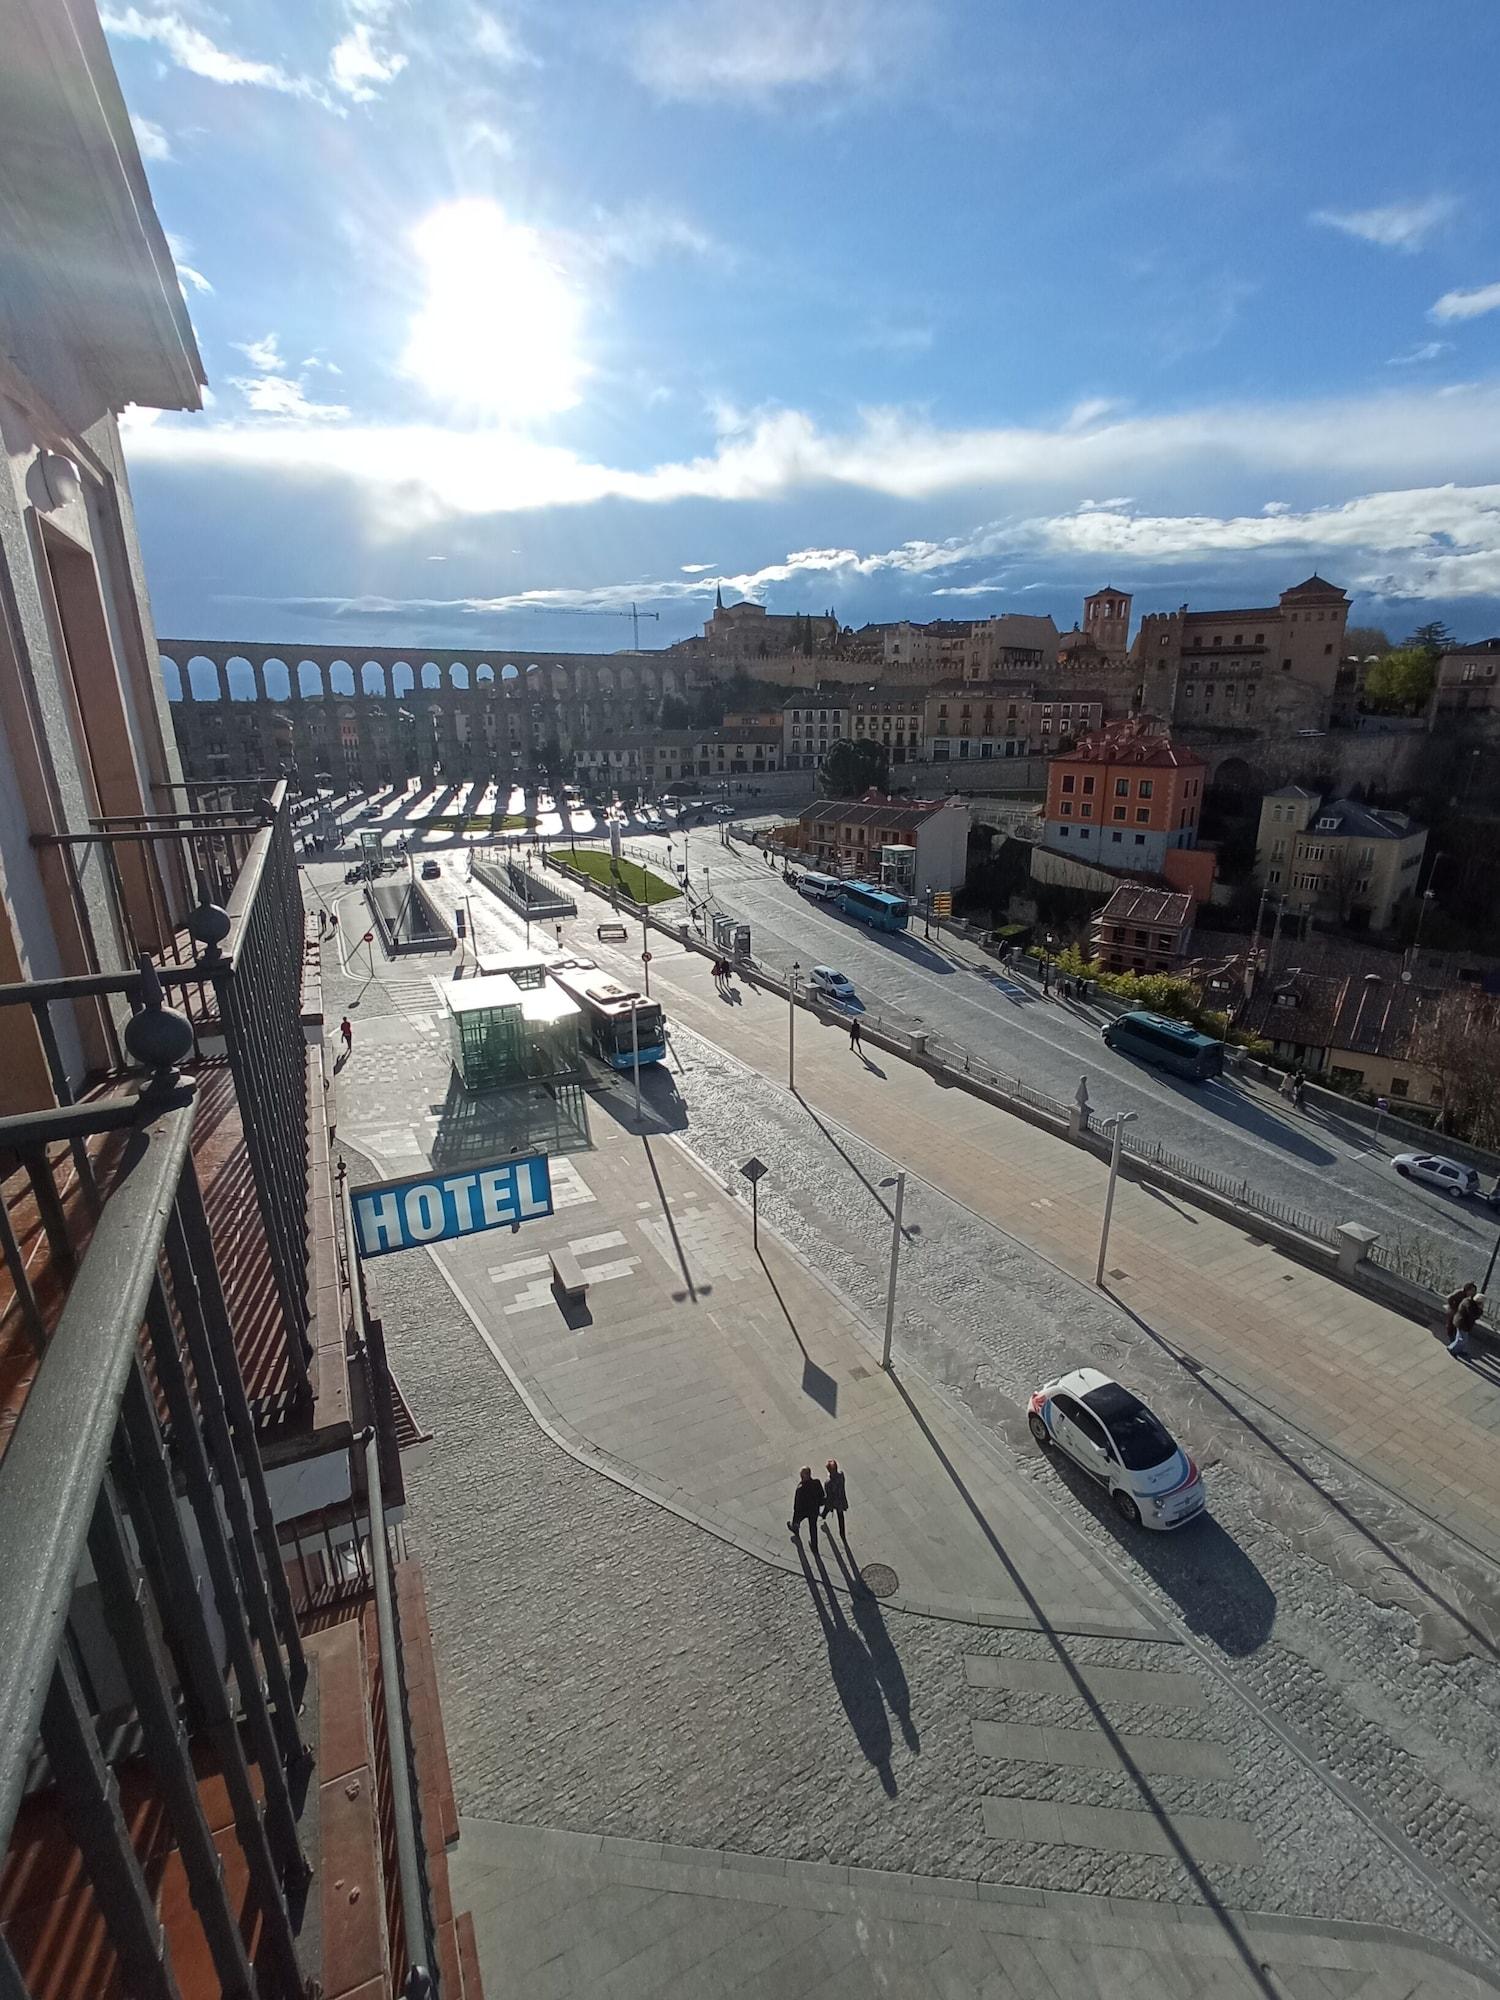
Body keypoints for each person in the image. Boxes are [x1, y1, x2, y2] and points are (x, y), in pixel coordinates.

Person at [787, 1466, 825, 1555]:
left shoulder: (800, 1488)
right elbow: (822, 1495)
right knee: (813, 1527)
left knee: (797, 1519)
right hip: (814, 1509)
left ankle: (795, 1528)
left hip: (803, 1510)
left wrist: (796, 1511)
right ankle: (814, 1547)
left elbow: (797, 1504)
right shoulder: (817, 1482)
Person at [1448, 1283, 1482, 1359]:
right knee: (1463, 1339)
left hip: (1461, 1322)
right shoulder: (1468, 1302)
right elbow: (1473, 1315)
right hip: (1462, 1323)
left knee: (1459, 1338)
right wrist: (1480, 1309)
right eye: (1472, 1290)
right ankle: (1452, 1349)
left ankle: (1456, 1349)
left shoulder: (1469, 1300)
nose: (1473, 1292)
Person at [823, 1459, 848, 1542]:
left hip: (834, 1500)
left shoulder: (828, 1483)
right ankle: (842, 1534)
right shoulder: (841, 1475)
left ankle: (823, 1514)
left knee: (828, 1506)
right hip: (841, 1499)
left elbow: (828, 1495)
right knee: (841, 1517)